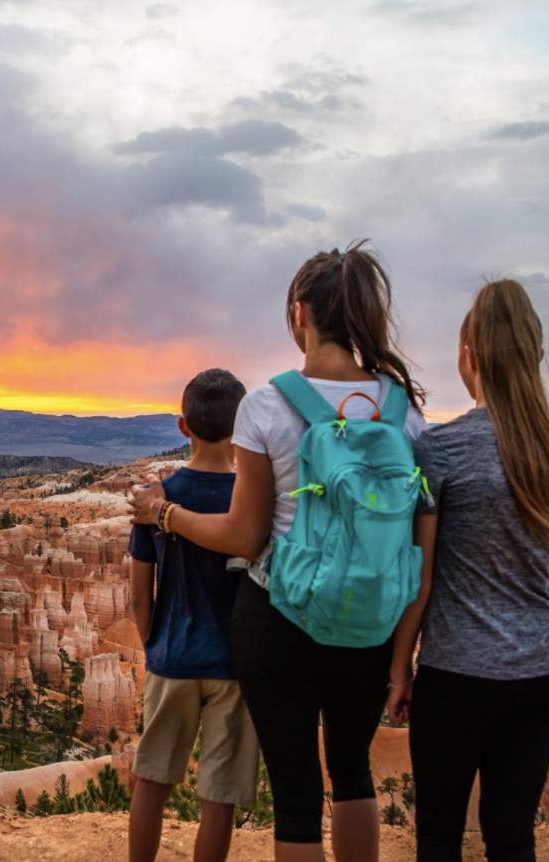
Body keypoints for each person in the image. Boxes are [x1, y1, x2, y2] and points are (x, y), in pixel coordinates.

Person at [129, 242, 427, 862]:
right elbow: (421, 544)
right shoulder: (405, 413)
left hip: (280, 618)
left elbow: (244, 536)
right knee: (352, 774)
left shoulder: (267, 405)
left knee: (295, 798)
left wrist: (166, 514)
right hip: (370, 621)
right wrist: (402, 660)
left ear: (299, 315)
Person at [385, 279, 549, 862]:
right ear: (537, 356)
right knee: (511, 836)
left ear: (467, 354)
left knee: (439, 837)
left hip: (457, 675)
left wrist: (401, 671)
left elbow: (419, 578)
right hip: (543, 674)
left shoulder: (441, 451)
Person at [127, 368, 259, 862]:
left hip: (172, 659)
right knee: (218, 798)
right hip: (233, 665)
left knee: (151, 783)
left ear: (183, 426)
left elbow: (141, 594)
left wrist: (154, 644)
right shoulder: (251, 498)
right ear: (243, 426)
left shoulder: (155, 500)